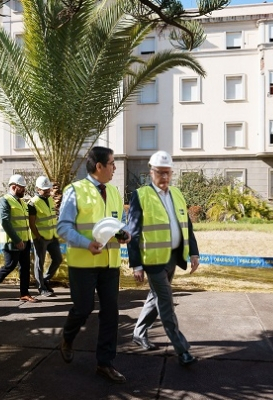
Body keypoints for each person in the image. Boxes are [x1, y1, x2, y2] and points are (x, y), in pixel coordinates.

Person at [56, 146, 131, 384]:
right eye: (111, 163)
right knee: (84, 308)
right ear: (99, 166)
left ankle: (105, 363)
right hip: (83, 263)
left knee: (111, 312)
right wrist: (86, 243)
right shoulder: (74, 191)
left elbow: (119, 223)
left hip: (110, 263)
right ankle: (68, 337)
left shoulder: (115, 192)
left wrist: (123, 234)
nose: (115, 167)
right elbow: (62, 228)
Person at [125, 151, 200, 366]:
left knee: (156, 297)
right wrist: (137, 264)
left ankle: (138, 333)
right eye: (160, 173)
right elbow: (133, 233)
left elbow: (187, 226)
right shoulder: (141, 195)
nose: (165, 177)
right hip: (153, 260)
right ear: (151, 172)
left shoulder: (177, 193)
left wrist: (193, 252)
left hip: (173, 258)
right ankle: (182, 349)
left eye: (168, 173)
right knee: (166, 303)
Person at [0, 174, 38, 303]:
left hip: (25, 240)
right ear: (14, 187)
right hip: (12, 242)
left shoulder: (21, 202)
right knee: (10, 265)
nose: (24, 190)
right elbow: (5, 222)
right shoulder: (4, 200)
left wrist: (25, 240)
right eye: (22, 188)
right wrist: (16, 240)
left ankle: (24, 293)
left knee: (25, 267)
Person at [28, 176, 62, 297]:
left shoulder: (50, 200)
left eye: (48, 189)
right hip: (40, 238)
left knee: (58, 259)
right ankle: (41, 288)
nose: (48, 191)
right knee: (39, 263)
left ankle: (45, 280)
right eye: (45, 190)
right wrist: (37, 236)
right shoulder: (32, 203)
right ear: (38, 189)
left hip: (52, 236)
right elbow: (31, 223)